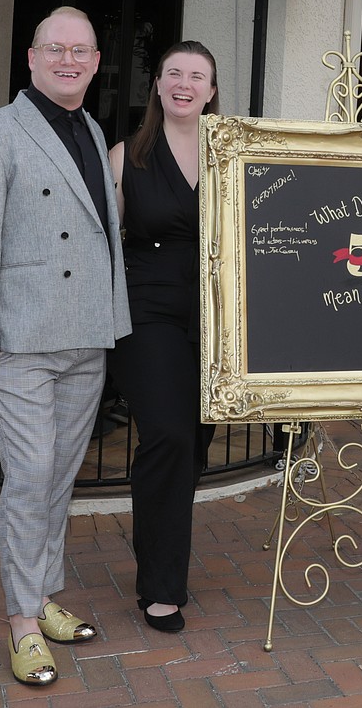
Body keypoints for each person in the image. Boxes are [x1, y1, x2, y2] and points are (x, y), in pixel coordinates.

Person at [0, 6, 131, 686]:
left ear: (95, 61)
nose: (68, 60)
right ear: (31, 57)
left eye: (80, 50)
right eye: (56, 48)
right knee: (29, 475)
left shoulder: (92, 128)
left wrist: (113, 317)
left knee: (59, 476)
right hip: (22, 338)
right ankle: (23, 620)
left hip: (84, 332)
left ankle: (44, 594)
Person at [106, 41, 219, 633]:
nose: (184, 83)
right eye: (174, 72)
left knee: (193, 443)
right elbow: (102, 241)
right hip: (147, 311)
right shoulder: (125, 157)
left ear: (211, 91)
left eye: (197, 76)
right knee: (169, 436)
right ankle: (160, 587)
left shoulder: (233, 155)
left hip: (219, 318)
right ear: (157, 84)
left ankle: (160, 551)